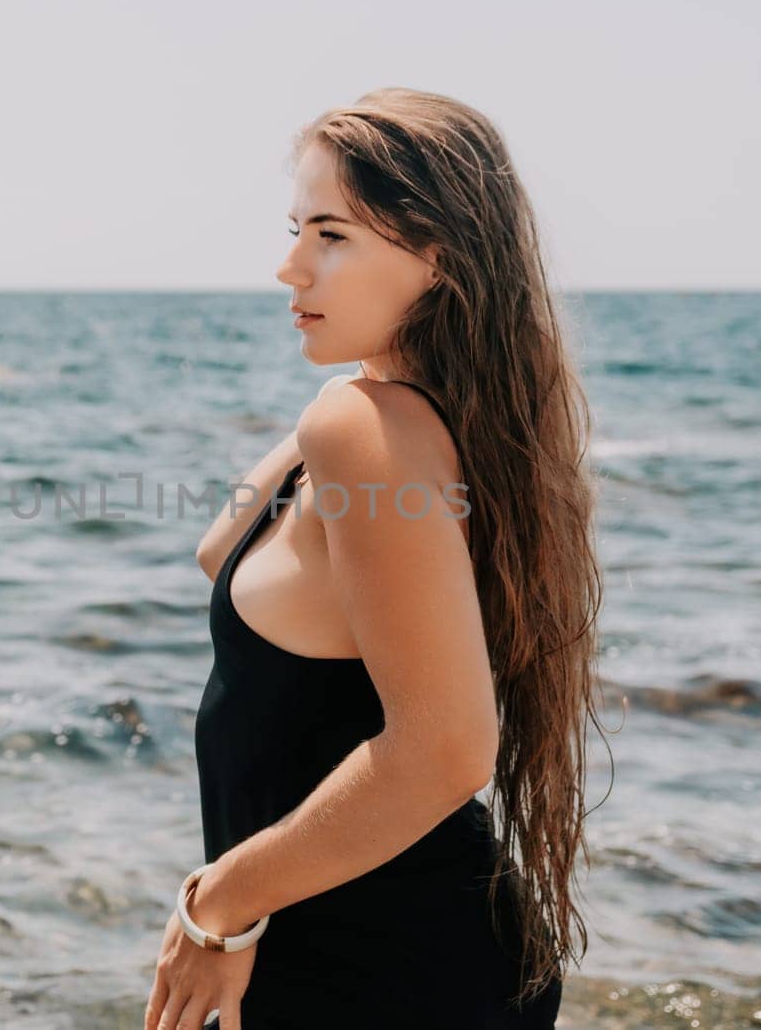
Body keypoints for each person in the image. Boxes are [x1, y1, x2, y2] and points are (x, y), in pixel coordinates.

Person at [145, 88, 607, 1030]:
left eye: (331, 235)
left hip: (383, 965)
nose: (289, 268)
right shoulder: (411, 415)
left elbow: (445, 750)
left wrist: (218, 905)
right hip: (391, 946)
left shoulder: (367, 427)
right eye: (294, 230)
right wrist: (369, 356)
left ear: (435, 253)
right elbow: (220, 550)